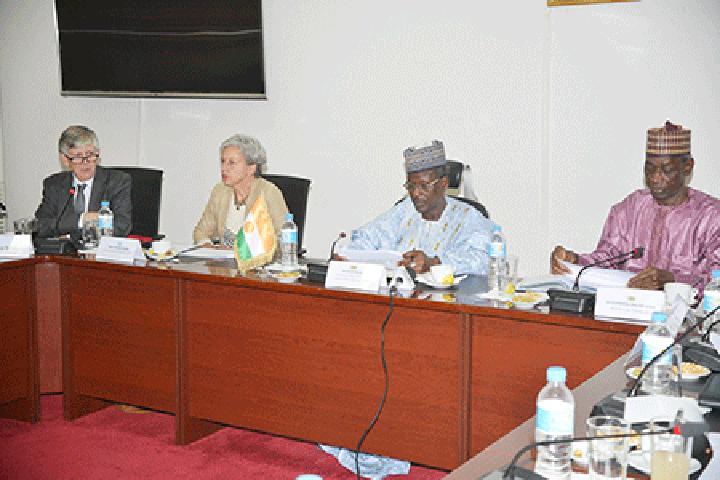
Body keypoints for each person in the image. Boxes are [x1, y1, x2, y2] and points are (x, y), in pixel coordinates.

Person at [551, 121, 720, 290]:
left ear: (688, 167)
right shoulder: (629, 208)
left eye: (667, 170)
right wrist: (574, 261)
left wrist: (672, 281)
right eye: (649, 169)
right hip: (628, 304)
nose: (655, 178)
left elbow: (716, 282)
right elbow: (608, 259)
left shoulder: (712, 217)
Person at [345, 140, 496, 275]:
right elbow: (367, 237)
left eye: (424, 186)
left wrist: (434, 264)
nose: (416, 193)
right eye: (411, 186)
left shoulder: (469, 217)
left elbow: (484, 261)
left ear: (443, 183)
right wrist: (348, 257)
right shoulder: (404, 210)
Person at [35, 125, 132, 238]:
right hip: (64, 248)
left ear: (98, 154)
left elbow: (122, 226)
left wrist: (65, 227)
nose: (85, 163)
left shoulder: (117, 181)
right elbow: (41, 225)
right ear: (65, 159)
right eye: (78, 157)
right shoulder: (54, 184)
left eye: (90, 155)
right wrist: (82, 220)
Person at [193, 134, 288, 247]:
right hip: (223, 258)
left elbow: (284, 238)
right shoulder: (220, 191)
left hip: (257, 258)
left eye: (232, 163)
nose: (224, 168)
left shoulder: (269, 193)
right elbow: (201, 232)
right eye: (223, 161)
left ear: (251, 168)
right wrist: (207, 246)